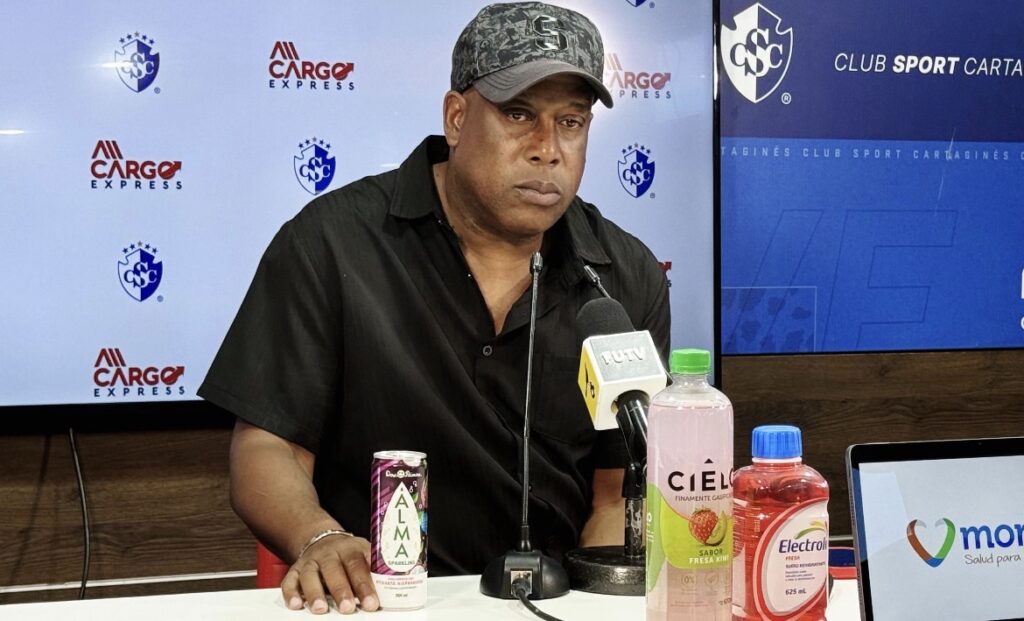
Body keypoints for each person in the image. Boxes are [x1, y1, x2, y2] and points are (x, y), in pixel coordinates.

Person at [199, 1, 670, 615]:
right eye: (518, 114)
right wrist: (320, 539)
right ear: (456, 117)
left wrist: (592, 609)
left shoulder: (625, 277)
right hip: (382, 602)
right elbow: (269, 449)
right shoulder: (331, 244)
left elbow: (615, 497)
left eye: (571, 122)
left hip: (555, 602)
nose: (547, 149)